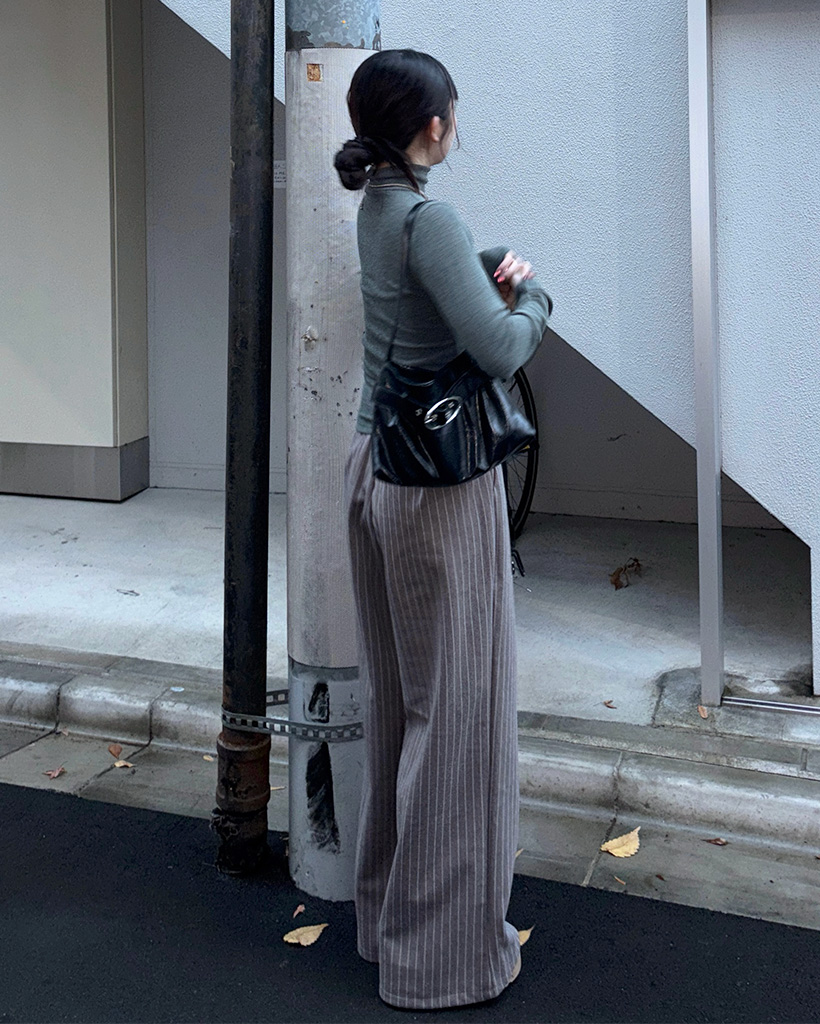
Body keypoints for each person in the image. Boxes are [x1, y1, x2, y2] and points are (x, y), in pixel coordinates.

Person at [334, 49, 552, 1010]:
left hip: (374, 466)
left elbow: (428, 280)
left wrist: (476, 264)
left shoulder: (379, 207)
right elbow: (500, 348)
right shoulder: (432, 218)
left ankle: (389, 929)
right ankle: (445, 962)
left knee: (402, 706)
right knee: (460, 719)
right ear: (432, 127)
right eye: (453, 114)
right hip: (439, 486)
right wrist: (534, 295)